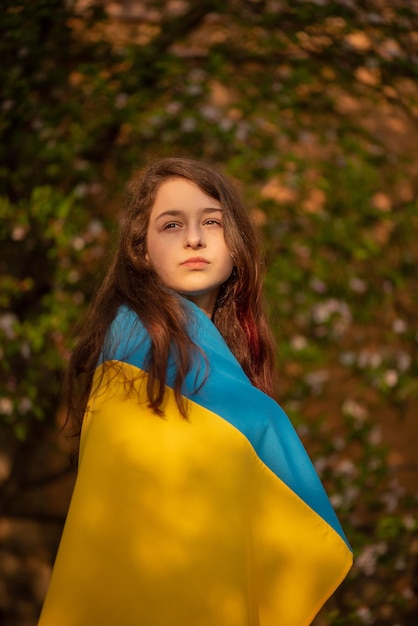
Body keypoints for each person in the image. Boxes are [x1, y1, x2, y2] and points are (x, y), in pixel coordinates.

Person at [38, 157, 352, 626]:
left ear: (236, 247)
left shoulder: (219, 359)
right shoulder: (134, 346)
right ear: (141, 251)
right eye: (171, 224)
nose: (194, 238)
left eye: (212, 222)